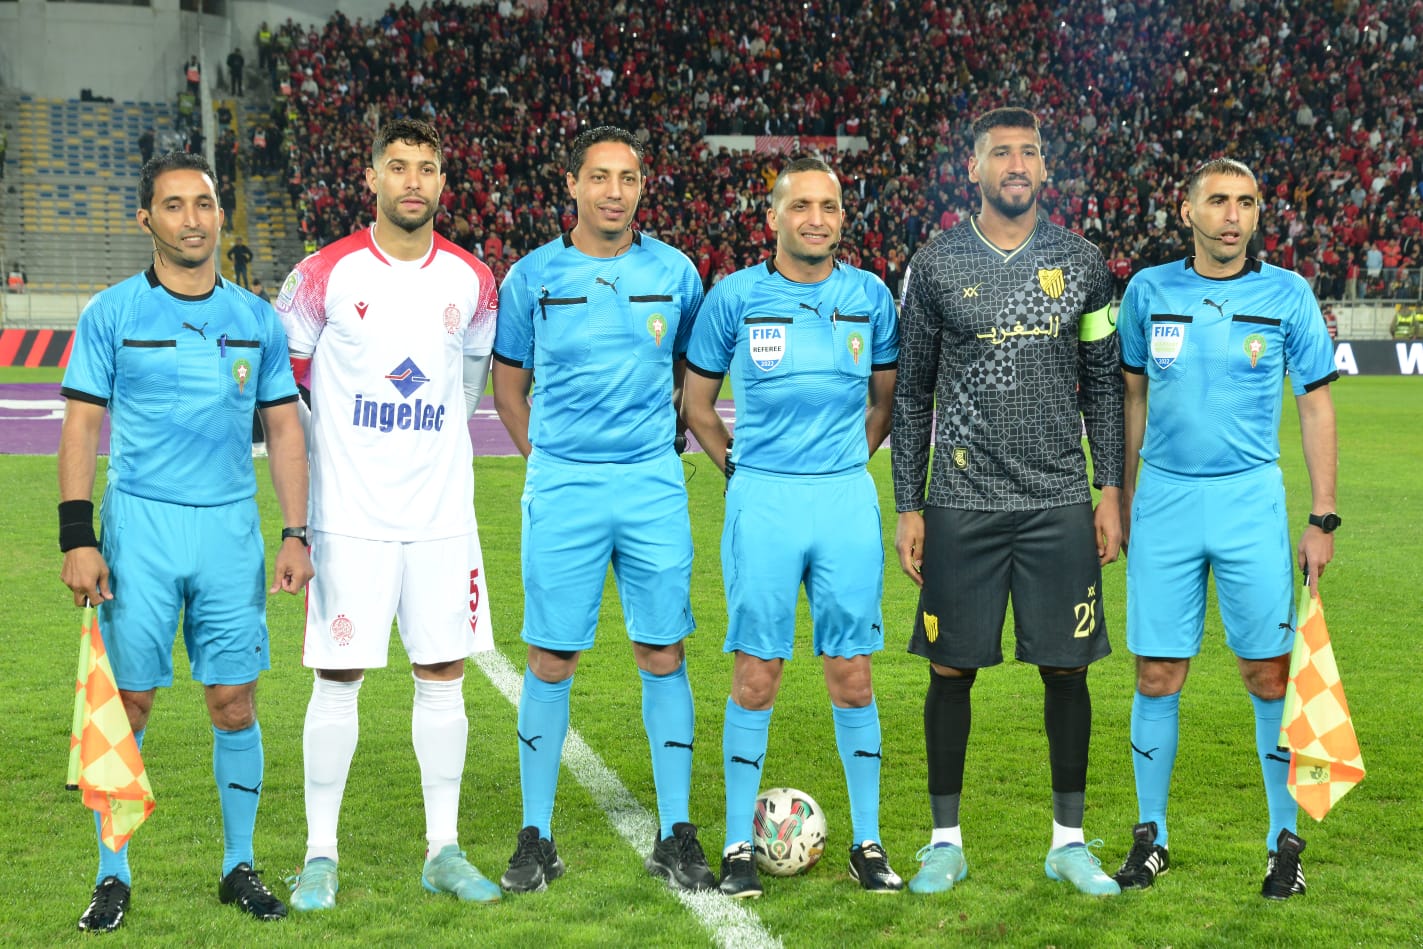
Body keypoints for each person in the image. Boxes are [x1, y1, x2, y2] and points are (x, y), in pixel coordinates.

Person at [57, 150, 313, 933]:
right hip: (139, 529)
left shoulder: (256, 320)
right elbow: (81, 425)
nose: (192, 219)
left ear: (220, 215)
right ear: (147, 219)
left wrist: (295, 533)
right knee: (129, 703)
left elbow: (284, 428)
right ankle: (112, 874)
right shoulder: (111, 314)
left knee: (234, 700)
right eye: (174, 205)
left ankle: (239, 865)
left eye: (204, 204)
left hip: (228, 530)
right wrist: (77, 534)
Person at [892, 107, 1124, 897]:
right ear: (974, 167)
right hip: (961, 499)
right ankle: (943, 843)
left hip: (1058, 497)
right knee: (950, 667)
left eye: (1028, 151)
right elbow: (912, 392)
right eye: (1000, 152)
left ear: (1044, 168)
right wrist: (910, 504)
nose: (1016, 164)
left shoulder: (1081, 262)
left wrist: (1109, 489)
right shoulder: (934, 263)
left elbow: (1102, 383)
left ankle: (1068, 842)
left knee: (1066, 667)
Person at [275, 117, 503, 910]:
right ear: (371, 178)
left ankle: (443, 849)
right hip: (350, 517)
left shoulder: (473, 280)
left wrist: (426, 447)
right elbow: (285, 386)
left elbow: (467, 382)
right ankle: (319, 855)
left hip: (441, 516)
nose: (413, 180)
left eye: (427, 167)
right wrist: (334, 459)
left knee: (443, 674)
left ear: (442, 182)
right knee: (337, 676)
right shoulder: (323, 273)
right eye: (398, 166)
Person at [491, 125, 713, 894]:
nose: (614, 192)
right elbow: (508, 388)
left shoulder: (676, 272)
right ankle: (536, 835)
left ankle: (676, 832)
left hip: (651, 483)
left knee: (662, 650)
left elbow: (691, 374)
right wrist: (550, 463)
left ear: (641, 186)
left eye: (627, 178)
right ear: (572, 184)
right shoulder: (530, 276)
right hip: (564, 486)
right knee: (551, 657)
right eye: (599, 177)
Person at [1111, 158, 1339, 900]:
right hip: (1165, 501)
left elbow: (1314, 405)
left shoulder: (1288, 294)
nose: (1232, 215)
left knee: (1268, 673)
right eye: (1216, 200)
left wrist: (1321, 516)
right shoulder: (1147, 291)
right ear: (1187, 211)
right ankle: (1150, 836)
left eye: (1245, 202)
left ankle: (1283, 845)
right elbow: (1131, 398)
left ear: (1257, 212)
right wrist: (1119, 494)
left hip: (1249, 502)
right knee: (1156, 672)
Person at [682, 157, 903, 898]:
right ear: (773, 216)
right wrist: (741, 470)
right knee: (756, 674)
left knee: (853, 673)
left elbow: (884, 402)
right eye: (801, 205)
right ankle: (736, 846)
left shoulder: (869, 297)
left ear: (843, 217)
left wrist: (843, 465)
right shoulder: (734, 297)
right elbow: (697, 405)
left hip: (843, 501)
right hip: (765, 502)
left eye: (829, 206)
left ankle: (867, 842)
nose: (816, 218)